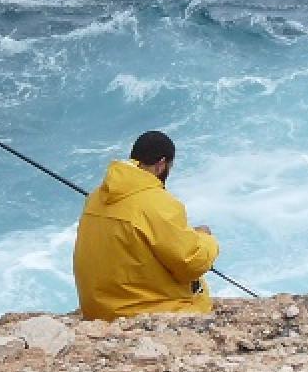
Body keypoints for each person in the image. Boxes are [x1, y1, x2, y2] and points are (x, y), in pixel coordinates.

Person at [72, 130, 219, 320]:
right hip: (138, 313)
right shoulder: (160, 203)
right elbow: (191, 263)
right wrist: (206, 239)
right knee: (198, 292)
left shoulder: (96, 196)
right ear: (161, 164)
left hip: (97, 309)